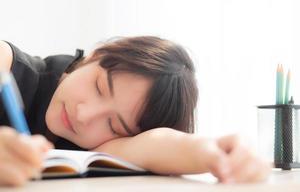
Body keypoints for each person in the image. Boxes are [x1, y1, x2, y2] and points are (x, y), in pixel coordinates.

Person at [0, 37, 271, 186]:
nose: (84, 115)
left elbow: (157, 144)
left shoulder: (100, 149)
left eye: (114, 126)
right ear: (96, 55)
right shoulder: (7, 65)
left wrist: (216, 151)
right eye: (99, 87)